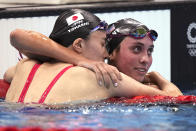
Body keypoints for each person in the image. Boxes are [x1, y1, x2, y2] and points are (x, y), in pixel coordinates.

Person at [4, 9, 182, 105]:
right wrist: (158, 77)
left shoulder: (25, 66)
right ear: (79, 45)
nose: (105, 54)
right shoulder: (102, 77)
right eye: (103, 44)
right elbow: (178, 99)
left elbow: (17, 41)